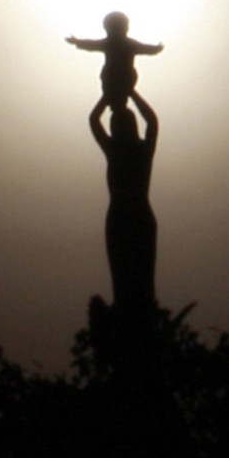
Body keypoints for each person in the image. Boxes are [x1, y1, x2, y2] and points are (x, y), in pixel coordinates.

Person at [89, 91, 158, 312]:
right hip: (127, 216)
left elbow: (93, 120)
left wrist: (115, 93)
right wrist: (126, 91)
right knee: (124, 275)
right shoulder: (138, 150)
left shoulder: (122, 150)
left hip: (128, 216)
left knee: (136, 275)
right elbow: (152, 122)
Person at [67, 12, 163, 110]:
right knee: (112, 83)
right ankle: (113, 95)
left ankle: (116, 94)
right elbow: (92, 44)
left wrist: (156, 49)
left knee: (115, 83)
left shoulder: (123, 44)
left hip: (123, 80)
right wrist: (77, 41)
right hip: (113, 79)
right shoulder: (116, 43)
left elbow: (92, 44)